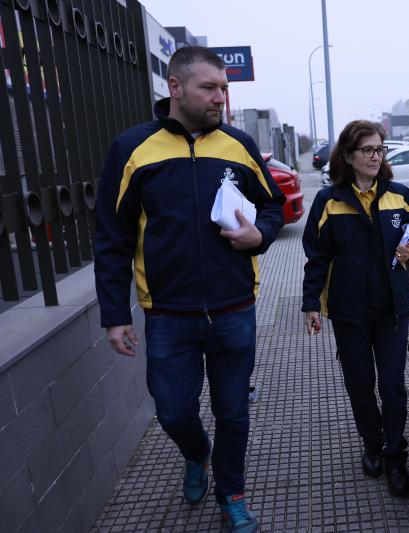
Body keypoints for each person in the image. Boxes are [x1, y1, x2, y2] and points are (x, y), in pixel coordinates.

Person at [94, 46, 284, 533]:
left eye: (224, 88)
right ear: (175, 88)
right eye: (209, 88)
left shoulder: (238, 146)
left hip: (234, 309)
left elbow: (273, 206)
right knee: (173, 411)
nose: (220, 97)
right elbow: (111, 237)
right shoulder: (133, 149)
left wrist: (259, 235)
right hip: (168, 315)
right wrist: (115, 315)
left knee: (234, 413)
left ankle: (232, 497)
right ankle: (196, 454)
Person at [301, 120, 409, 497]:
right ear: (348, 156)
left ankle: (395, 455)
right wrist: (311, 304)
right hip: (348, 312)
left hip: (393, 310)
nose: (376, 157)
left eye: (380, 149)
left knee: (392, 386)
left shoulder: (399, 195)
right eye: (368, 150)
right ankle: (371, 444)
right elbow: (317, 256)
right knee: (360, 385)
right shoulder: (329, 201)